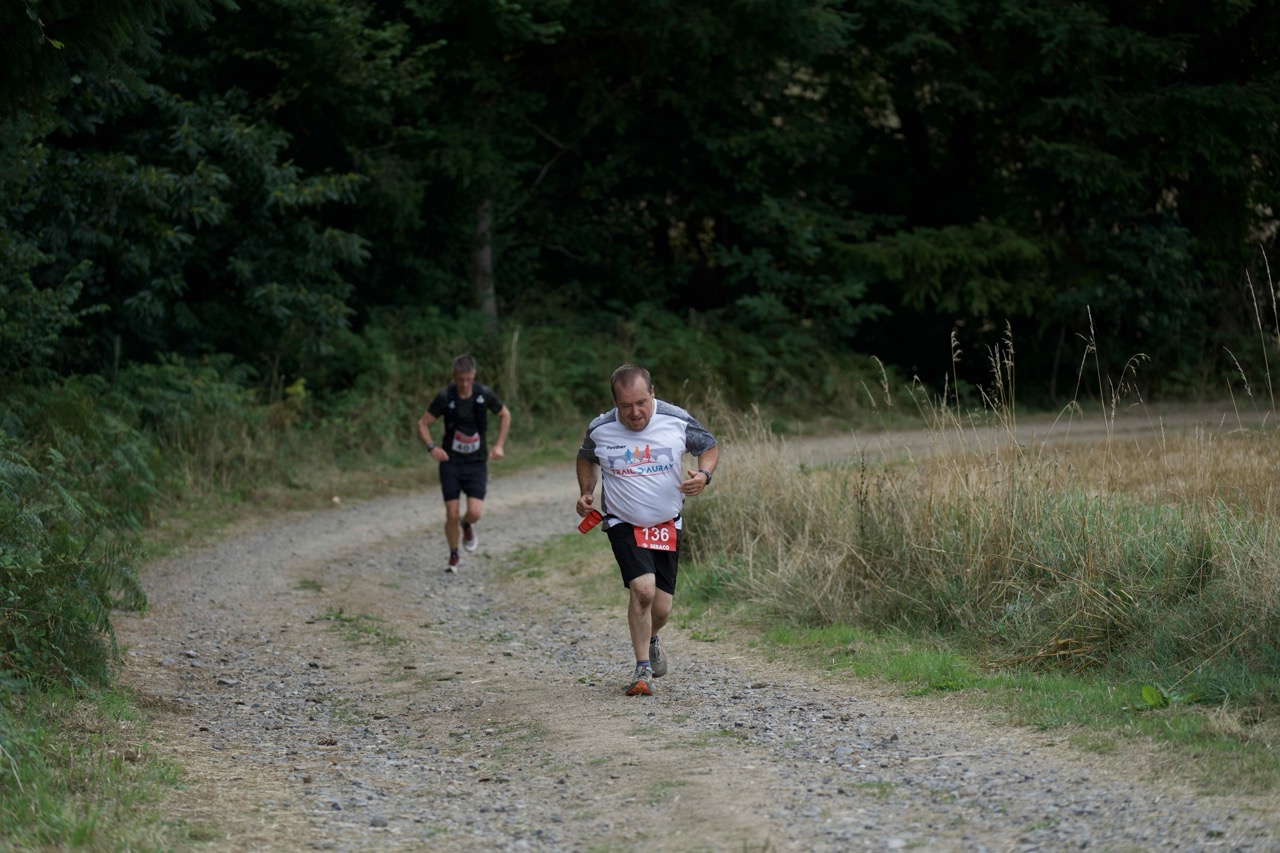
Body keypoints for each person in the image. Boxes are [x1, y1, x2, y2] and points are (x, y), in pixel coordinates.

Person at [575, 364, 719, 696]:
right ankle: (642, 670)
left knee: (662, 609)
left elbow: (709, 446)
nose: (635, 412)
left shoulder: (676, 420)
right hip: (623, 522)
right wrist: (585, 491)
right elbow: (585, 457)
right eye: (626, 405)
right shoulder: (601, 428)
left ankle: (652, 637)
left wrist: (704, 475)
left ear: (652, 393)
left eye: (641, 402)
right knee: (643, 590)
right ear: (615, 402)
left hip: (667, 523)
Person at [417, 354, 511, 572]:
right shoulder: (445, 397)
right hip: (451, 463)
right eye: (461, 379)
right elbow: (422, 423)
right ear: (454, 376)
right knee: (451, 513)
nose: (465, 384)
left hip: (477, 463)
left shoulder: (483, 394)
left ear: (474, 375)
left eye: (468, 379)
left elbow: (505, 415)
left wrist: (499, 445)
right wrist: (432, 447)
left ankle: (467, 524)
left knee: (475, 512)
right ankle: (454, 555)